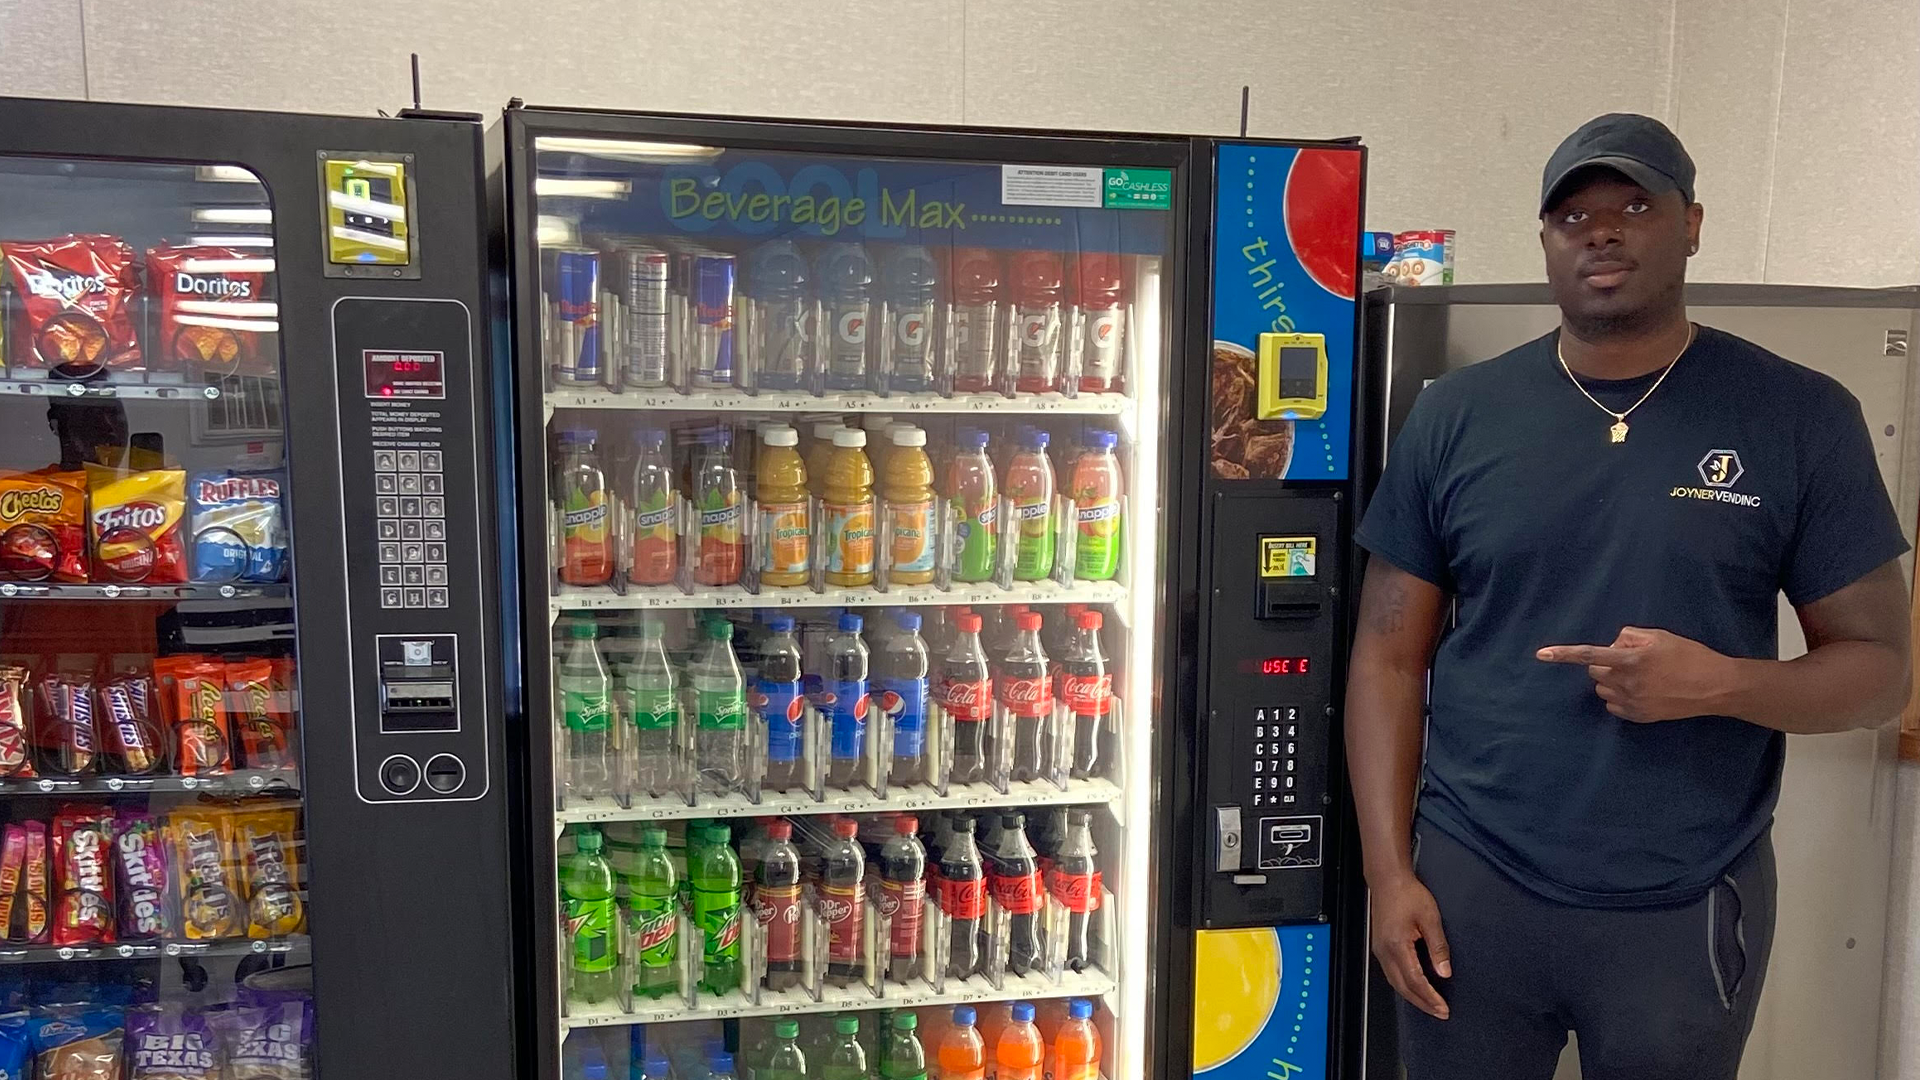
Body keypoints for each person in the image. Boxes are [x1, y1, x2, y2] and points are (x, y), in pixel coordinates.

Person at [1347, 113, 1912, 1080]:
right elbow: (1386, 658)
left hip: (1684, 904)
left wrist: (1721, 684)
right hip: (1472, 886)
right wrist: (1388, 873)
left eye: (1634, 206)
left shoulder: (1800, 415)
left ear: (1691, 224)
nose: (1599, 232)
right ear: (1544, 240)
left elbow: (1879, 677)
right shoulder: (1457, 415)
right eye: (1572, 214)